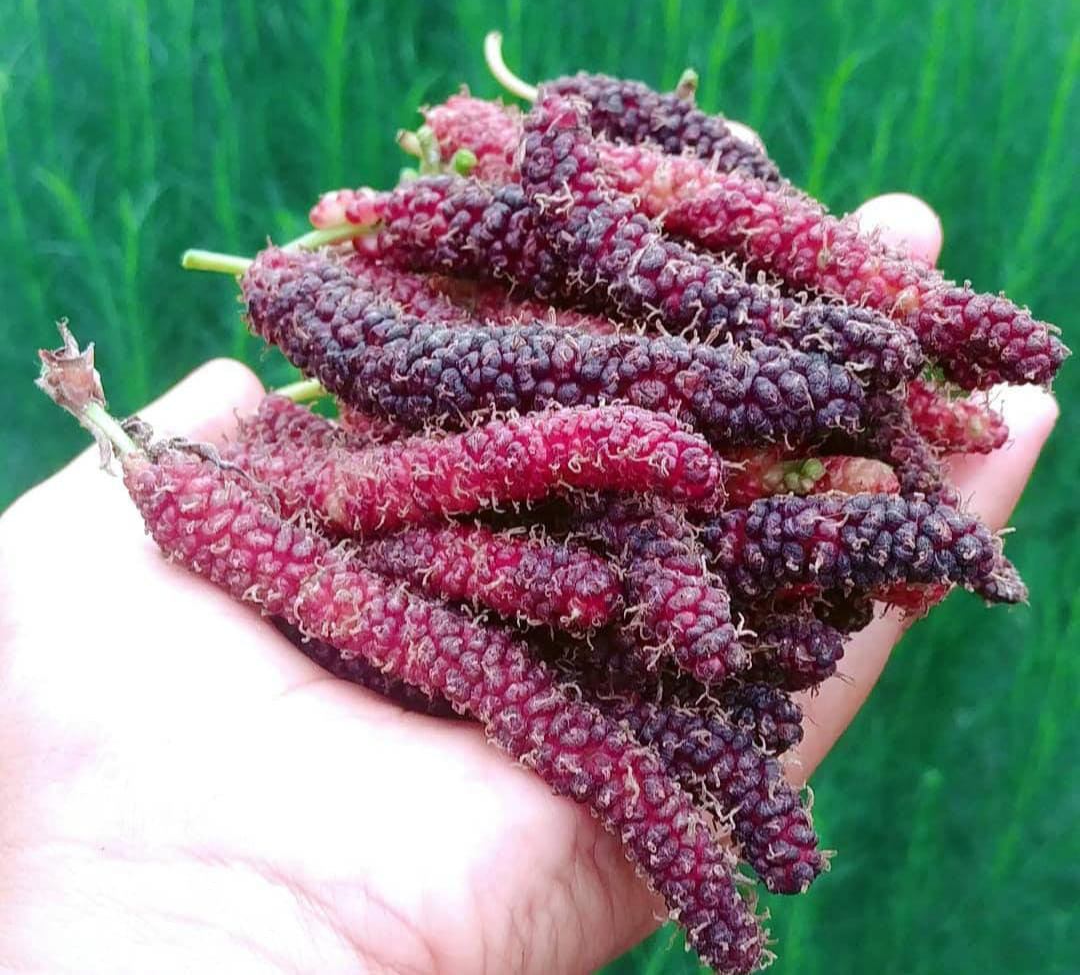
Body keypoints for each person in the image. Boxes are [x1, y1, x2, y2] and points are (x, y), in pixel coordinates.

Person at [0, 192, 1057, 974]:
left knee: (531, 477)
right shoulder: (256, 479)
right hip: (330, 475)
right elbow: (451, 497)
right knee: (497, 539)